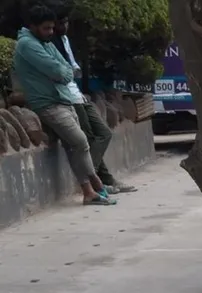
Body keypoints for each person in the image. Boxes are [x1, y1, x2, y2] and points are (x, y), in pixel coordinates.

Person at [13, 4, 114, 205]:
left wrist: (64, 72)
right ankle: (96, 183)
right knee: (80, 141)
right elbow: (60, 71)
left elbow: (66, 69)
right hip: (48, 104)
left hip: (63, 99)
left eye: (52, 27)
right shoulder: (27, 44)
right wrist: (64, 72)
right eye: (46, 28)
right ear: (33, 26)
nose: (51, 32)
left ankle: (89, 192)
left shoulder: (45, 43)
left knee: (73, 146)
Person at [52, 10, 136, 194]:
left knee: (103, 133)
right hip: (67, 98)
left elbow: (72, 68)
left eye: (66, 22)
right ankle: (97, 181)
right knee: (88, 138)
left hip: (77, 94)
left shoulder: (64, 40)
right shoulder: (50, 44)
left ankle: (98, 178)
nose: (64, 26)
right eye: (60, 23)